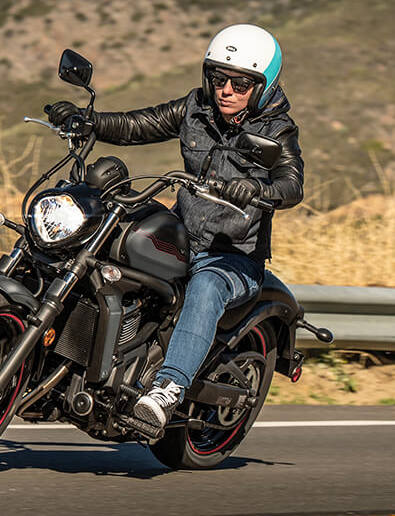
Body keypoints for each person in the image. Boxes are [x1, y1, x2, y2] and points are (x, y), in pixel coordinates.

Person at [45, 23, 304, 431]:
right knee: (110, 234)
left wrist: (256, 187)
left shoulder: (276, 130)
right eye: (219, 78)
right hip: (183, 235)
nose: (226, 90)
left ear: (263, 86)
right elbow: (137, 125)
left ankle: (167, 389)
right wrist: (87, 120)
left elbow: (292, 182)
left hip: (232, 256)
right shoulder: (195, 108)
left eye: (241, 83)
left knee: (207, 286)